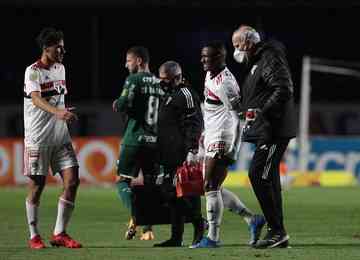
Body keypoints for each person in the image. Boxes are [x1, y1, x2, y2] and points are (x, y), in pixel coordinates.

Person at [191, 41, 265, 249]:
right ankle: (252, 219)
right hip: (211, 135)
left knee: (209, 186)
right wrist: (203, 136)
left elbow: (237, 116)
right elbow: (211, 109)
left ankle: (213, 238)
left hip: (223, 137)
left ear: (221, 58)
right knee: (213, 187)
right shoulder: (210, 74)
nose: (203, 60)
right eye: (203, 56)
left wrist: (233, 145)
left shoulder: (225, 83)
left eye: (208, 57)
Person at [232, 25, 297, 248]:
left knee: (258, 174)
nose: (236, 50)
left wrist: (262, 112)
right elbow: (263, 93)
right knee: (269, 178)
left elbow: (284, 88)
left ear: (249, 42)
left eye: (237, 45)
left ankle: (277, 231)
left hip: (274, 129)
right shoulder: (259, 61)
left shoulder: (269, 57)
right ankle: (278, 233)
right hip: (267, 128)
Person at [24, 27, 81, 249]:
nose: (62, 50)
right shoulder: (33, 71)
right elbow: (37, 99)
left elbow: (56, 98)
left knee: (73, 180)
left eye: (63, 46)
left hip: (60, 137)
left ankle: (59, 233)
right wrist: (58, 112)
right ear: (46, 48)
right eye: (59, 46)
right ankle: (33, 235)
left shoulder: (61, 69)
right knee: (38, 186)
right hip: (37, 137)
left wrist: (64, 109)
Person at [112, 46, 163, 241]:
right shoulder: (159, 83)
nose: (126, 65)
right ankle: (148, 230)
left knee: (122, 180)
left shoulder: (133, 79)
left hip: (134, 139)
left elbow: (123, 104)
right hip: (154, 141)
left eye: (129, 60)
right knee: (150, 185)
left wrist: (118, 103)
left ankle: (136, 216)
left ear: (140, 61)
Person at [153, 61, 205, 247]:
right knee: (171, 193)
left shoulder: (186, 94)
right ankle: (177, 237)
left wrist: (192, 149)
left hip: (181, 152)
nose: (162, 83)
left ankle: (199, 225)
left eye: (165, 80)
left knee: (188, 193)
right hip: (167, 153)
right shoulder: (169, 94)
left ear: (176, 78)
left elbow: (195, 122)